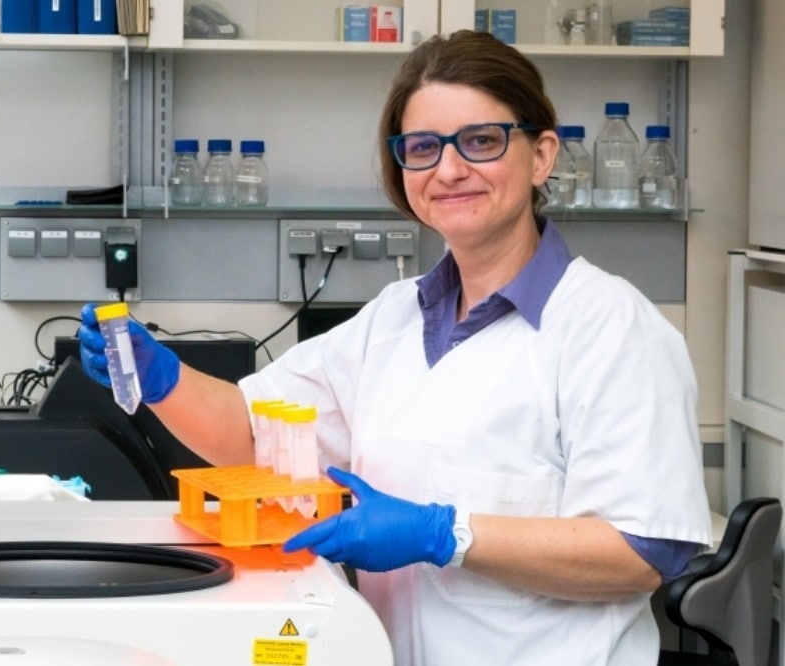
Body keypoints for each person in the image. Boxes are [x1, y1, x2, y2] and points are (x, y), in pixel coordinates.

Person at [79, 29, 711, 666]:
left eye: (481, 141)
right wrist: (162, 379)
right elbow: (256, 436)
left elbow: (643, 552)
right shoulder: (393, 317)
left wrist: (444, 535)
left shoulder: (612, 328)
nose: (449, 170)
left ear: (542, 155)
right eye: (423, 147)